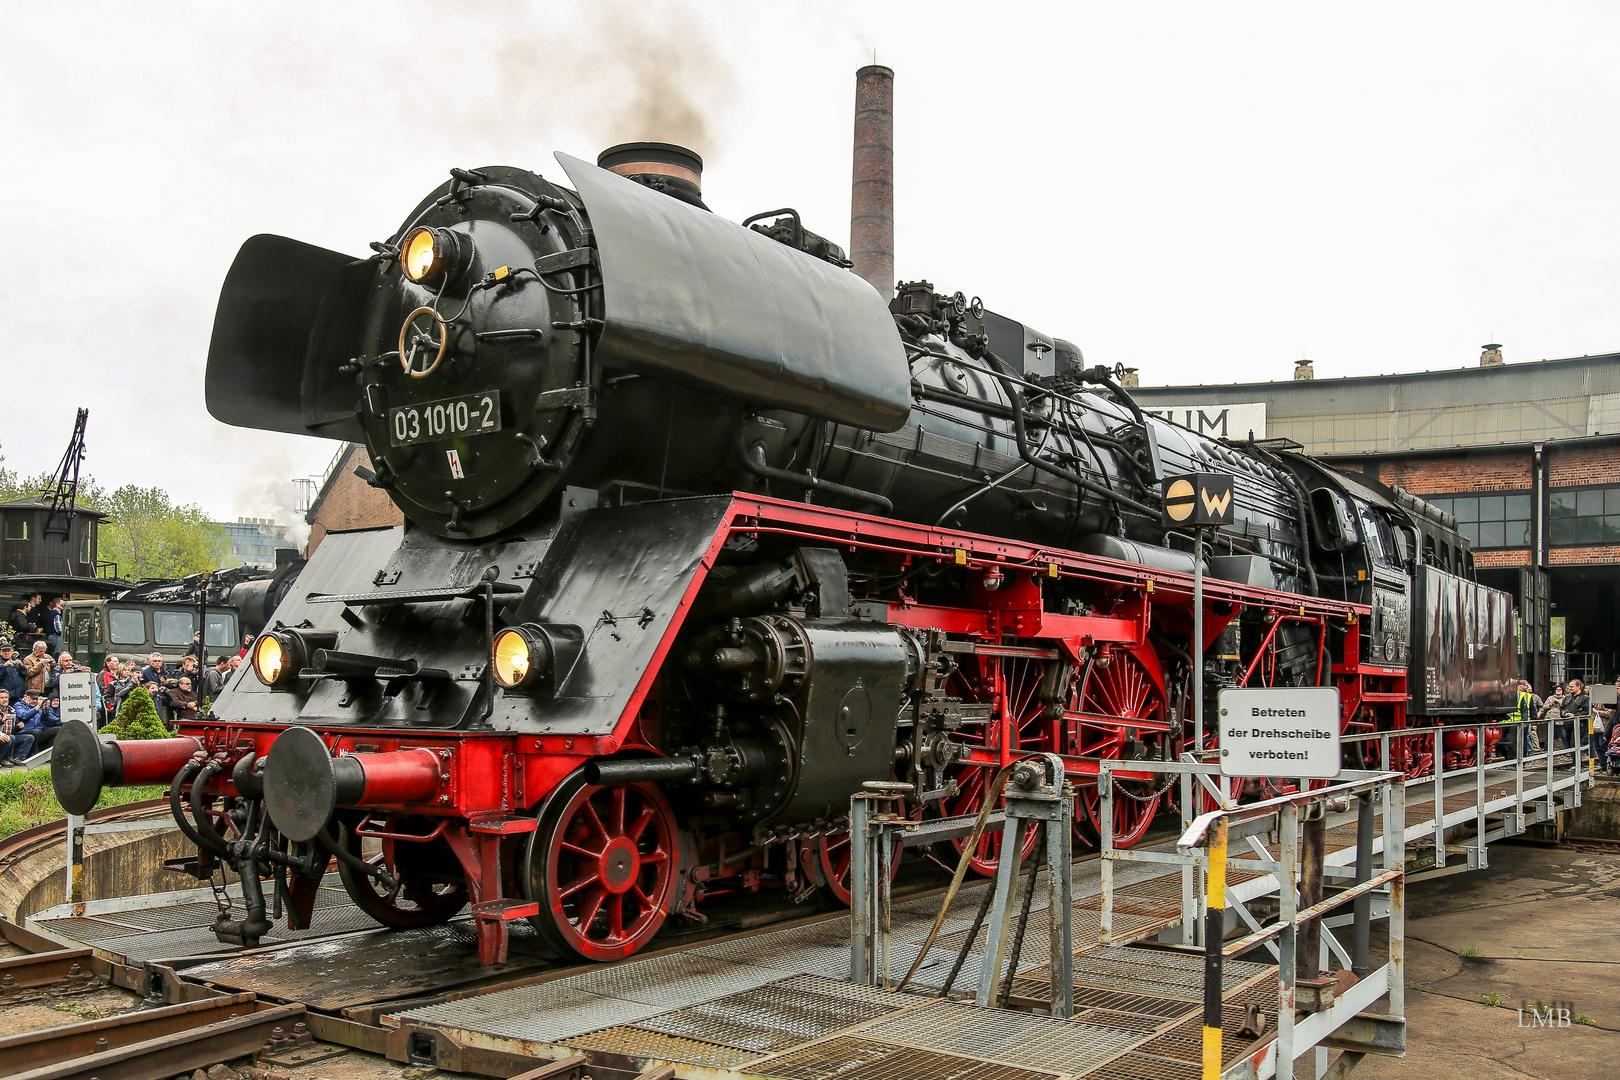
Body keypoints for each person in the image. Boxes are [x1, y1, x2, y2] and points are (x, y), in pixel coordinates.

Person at [0, 690, 33, 766]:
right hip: (2, 736)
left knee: (29, 738)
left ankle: (18, 758)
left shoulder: (11, 710)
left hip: (10, 735)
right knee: (10, 738)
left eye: (6, 697)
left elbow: (14, 726)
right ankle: (5, 759)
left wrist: (19, 726)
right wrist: (2, 720)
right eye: (2, 698)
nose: (4, 699)